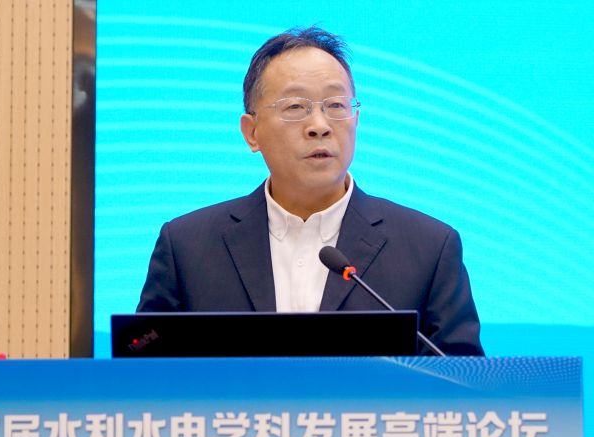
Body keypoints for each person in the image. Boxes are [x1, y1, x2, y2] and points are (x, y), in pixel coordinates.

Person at [136, 26, 483, 356]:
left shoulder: (429, 249)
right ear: (252, 132)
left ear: (355, 120)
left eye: (336, 106)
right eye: (295, 108)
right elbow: (139, 370)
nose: (319, 126)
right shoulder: (187, 248)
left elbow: (463, 382)